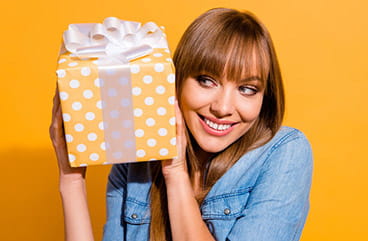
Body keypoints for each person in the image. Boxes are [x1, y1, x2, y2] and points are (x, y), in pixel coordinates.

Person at [50, 8, 313, 241]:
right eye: (207, 80)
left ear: (264, 98)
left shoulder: (284, 152)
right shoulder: (136, 162)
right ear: (176, 82)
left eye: (246, 89)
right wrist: (71, 180)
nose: (222, 108)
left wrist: (175, 173)